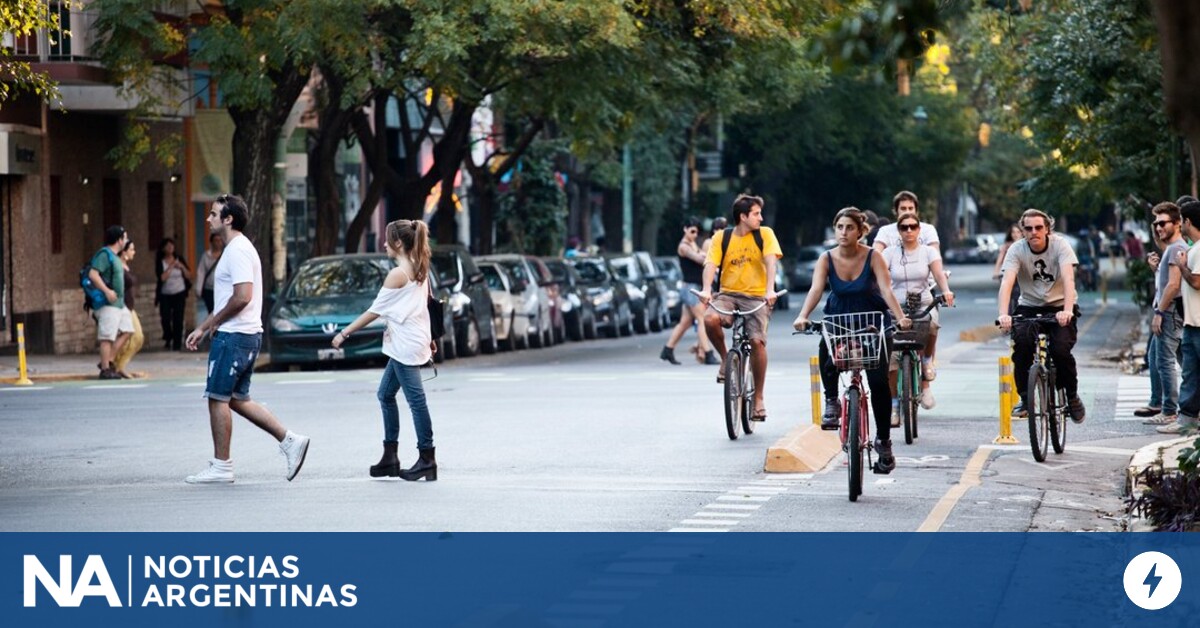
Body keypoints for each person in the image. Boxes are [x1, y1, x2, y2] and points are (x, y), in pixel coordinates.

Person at [184, 194, 310, 484]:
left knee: (217, 399)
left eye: (214, 214)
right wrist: (203, 327)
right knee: (238, 400)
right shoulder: (236, 249)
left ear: (228, 219)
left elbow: (242, 297)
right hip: (242, 334)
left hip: (235, 336)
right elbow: (231, 299)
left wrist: (214, 324)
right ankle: (290, 440)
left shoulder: (238, 250)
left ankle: (222, 466)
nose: (208, 218)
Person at [792, 208, 912, 474]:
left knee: (879, 382)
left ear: (860, 231)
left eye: (849, 227)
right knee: (825, 345)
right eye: (839, 227)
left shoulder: (873, 257)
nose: (844, 233)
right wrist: (802, 316)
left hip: (872, 324)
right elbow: (815, 289)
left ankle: (884, 441)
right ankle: (832, 400)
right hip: (839, 321)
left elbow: (886, 290)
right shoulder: (826, 258)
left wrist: (900, 317)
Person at [333, 219, 439, 481]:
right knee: (385, 394)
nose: (383, 243)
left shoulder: (398, 274)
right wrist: (432, 337)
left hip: (405, 343)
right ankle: (390, 457)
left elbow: (374, 311)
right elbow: (426, 304)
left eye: (387, 239)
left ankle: (427, 458)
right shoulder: (420, 266)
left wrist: (344, 333)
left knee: (416, 402)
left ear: (399, 243)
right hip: (411, 340)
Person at [697, 195, 782, 421]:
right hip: (727, 294)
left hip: (757, 297)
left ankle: (759, 398)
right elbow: (710, 264)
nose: (760, 218)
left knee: (756, 342)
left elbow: (771, 261)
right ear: (743, 217)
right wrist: (706, 289)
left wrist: (770, 290)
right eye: (756, 214)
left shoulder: (765, 234)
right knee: (709, 319)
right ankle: (726, 359)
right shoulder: (721, 237)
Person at [997, 208, 1086, 423]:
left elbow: (1068, 279)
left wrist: (1067, 310)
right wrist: (1003, 315)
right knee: (1022, 348)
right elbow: (1007, 282)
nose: (1034, 232)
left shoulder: (1060, 245)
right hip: (1029, 305)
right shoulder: (1017, 249)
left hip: (1059, 306)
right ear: (1023, 231)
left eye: (1039, 228)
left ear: (1047, 229)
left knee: (1060, 349)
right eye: (1028, 228)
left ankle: (1072, 396)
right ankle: (1026, 398)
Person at [882, 213, 954, 421]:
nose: (909, 231)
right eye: (904, 227)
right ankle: (895, 405)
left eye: (913, 227)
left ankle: (927, 361)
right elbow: (880, 277)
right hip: (896, 306)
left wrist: (946, 291)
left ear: (919, 229)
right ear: (899, 231)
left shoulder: (928, 252)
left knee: (932, 324)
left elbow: (939, 274)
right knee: (892, 358)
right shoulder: (889, 253)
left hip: (922, 302)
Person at [1135, 203, 1188, 426]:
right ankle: (1167, 406)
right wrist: (1155, 269)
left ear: (1177, 223)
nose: (1158, 227)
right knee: (1164, 359)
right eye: (1155, 223)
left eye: (1163, 223)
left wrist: (1159, 312)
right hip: (1169, 309)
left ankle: (1169, 411)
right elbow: (1166, 281)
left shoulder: (1176, 249)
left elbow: (1174, 285)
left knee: (1165, 361)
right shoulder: (1171, 249)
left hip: (1169, 310)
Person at [660, 217, 719, 366]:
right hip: (690, 288)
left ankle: (668, 349)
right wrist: (710, 258)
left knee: (685, 323)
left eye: (696, 232)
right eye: (692, 231)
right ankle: (707, 353)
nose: (694, 234)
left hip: (694, 287)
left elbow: (702, 255)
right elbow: (699, 259)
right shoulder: (684, 246)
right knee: (702, 319)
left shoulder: (692, 243)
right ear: (685, 229)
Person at [1166, 200, 1200, 435]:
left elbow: (1197, 282)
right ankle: (1186, 419)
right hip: (1191, 322)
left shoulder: (1199, 249)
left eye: (1182, 221)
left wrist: (1182, 265)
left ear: (1187, 222)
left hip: (1198, 324)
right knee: (1190, 373)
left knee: (1191, 372)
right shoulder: (1194, 248)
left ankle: (1187, 418)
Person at [89, 225, 134, 380]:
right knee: (107, 337)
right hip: (108, 304)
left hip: (119, 304)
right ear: (119, 239)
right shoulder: (104, 254)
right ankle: (105, 369)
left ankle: (108, 360)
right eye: (125, 238)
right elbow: (93, 274)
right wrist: (107, 291)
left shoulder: (115, 256)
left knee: (128, 330)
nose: (126, 241)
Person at [112, 240, 145, 379]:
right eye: (131, 249)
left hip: (130, 307)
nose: (134, 252)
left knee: (136, 338)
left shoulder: (125, 266)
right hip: (123, 306)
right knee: (134, 336)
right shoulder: (118, 266)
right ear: (124, 252)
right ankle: (115, 365)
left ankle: (119, 366)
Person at [872, 191, 941, 253]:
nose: (907, 212)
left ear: (916, 211)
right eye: (903, 208)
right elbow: (875, 254)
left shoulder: (928, 230)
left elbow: (935, 255)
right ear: (896, 211)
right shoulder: (885, 231)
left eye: (910, 208)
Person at [155, 238, 192, 351]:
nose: (170, 248)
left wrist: (181, 266)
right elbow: (162, 278)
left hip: (179, 292)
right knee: (165, 318)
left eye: (172, 246)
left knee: (178, 318)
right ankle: (168, 337)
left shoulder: (179, 259)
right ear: (163, 249)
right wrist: (171, 266)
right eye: (167, 246)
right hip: (165, 294)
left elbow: (189, 275)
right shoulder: (160, 261)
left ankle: (177, 343)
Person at [993, 223, 1023, 314]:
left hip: (1022, 275)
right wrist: (996, 272)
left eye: (1018, 232)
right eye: (1013, 232)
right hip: (1009, 273)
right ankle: (1006, 315)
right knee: (1008, 294)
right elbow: (1000, 259)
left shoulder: (1025, 245)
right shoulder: (1006, 246)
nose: (1015, 234)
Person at [195, 232, 224, 316]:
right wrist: (198, 289)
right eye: (216, 240)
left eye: (220, 240)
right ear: (211, 242)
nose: (218, 243)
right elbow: (201, 272)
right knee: (212, 311)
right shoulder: (206, 256)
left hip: (222, 288)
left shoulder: (226, 255)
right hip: (209, 289)